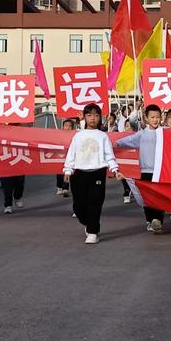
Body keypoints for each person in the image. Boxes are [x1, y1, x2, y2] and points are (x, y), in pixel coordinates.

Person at [63, 103, 123, 244]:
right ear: (84, 117)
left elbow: (109, 155)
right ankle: (88, 222)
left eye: (96, 115)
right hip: (79, 173)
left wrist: (115, 171)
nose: (93, 118)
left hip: (97, 173)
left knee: (95, 203)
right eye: (89, 115)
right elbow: (71, 154)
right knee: (78, 206)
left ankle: (92, 231)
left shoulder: (103, 136)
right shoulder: (78, 136)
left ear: (100, 118)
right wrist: (67, 170)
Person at [116, 104, 165, 234]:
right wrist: (115, 142)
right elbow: (128, 140)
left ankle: (158, 220)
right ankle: (150, 220)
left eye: (157, 117)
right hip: (146, 171)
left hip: (160, 171)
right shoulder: (142, 134)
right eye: (152, 117)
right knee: (147, 197)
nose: (155, 120)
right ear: (146, 118)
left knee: (160, 197)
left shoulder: (164, 133)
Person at [57, 119, 75, 197]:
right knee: (59, 173)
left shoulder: (75, 135)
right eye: (66, 126)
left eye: (70, 126)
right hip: (60, 156)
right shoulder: (59, 135)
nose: (67, 128)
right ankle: (59, 187)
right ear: (63, 127)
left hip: (69, 157)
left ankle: (65, 188)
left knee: (68, 172)